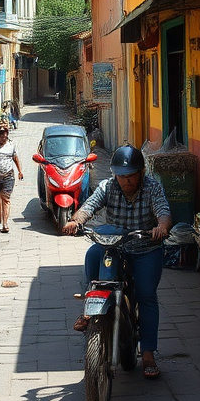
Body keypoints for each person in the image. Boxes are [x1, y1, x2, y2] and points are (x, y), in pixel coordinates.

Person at [63, 145, 172, 379]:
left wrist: (162, 227)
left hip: (145, 248)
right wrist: (76, 220)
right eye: (121, 176)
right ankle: (89, 309)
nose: (125, 181)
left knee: (146, 295)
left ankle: (149, 352)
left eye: (130, 176)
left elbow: (163, 210)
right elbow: (90, 206)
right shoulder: (108, 186)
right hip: (115, 246)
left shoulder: (152, 187)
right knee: (92, 254)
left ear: (141, 173)